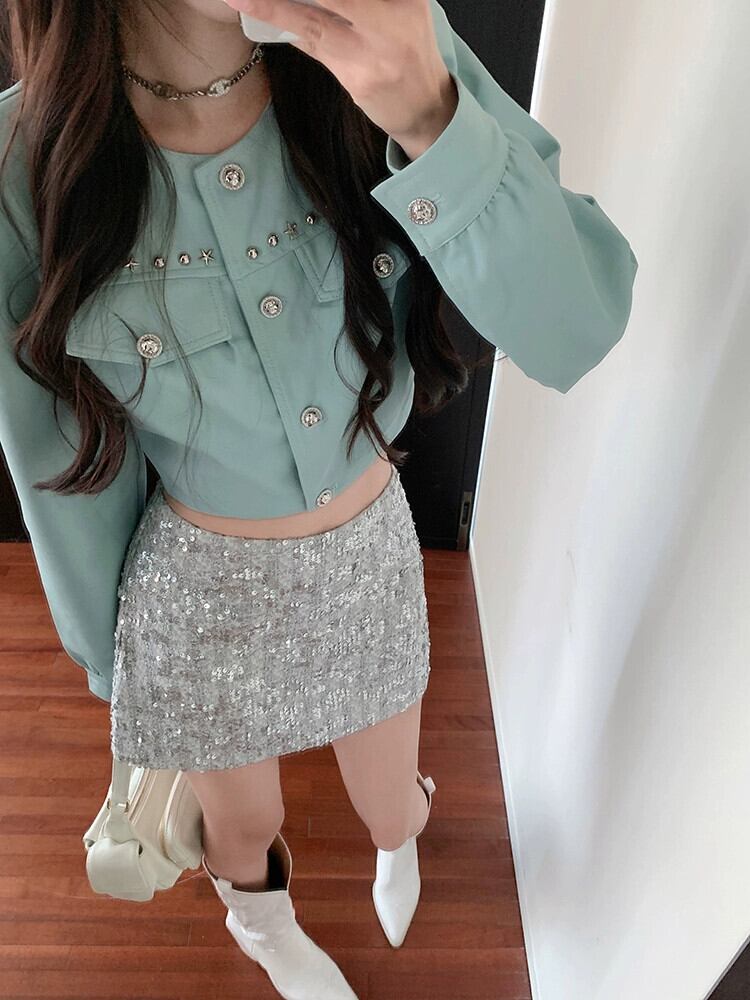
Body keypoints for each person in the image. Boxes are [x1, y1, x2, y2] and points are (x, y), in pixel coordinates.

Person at [0, 1, 638, 997]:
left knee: (391, 796)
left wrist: (429, 117)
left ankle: (398, 841)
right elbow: (53, 448)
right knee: (242, 822)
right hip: (199, 592)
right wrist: (113, 665)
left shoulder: (395, 40)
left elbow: (577, 322)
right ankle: (262, 926)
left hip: (365, 553)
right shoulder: (24, 160)